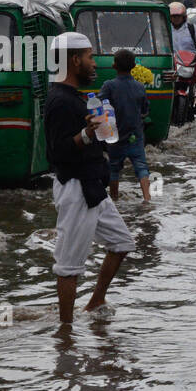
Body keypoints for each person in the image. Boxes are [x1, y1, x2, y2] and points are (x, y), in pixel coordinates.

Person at [44, 32, 136, 323]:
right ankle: (66, 334)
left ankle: (95, 302)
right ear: (74, 60)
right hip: (75, 190)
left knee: (122, 243)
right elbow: (56, 153)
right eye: (89, 57)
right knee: (68, 266)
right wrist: (87, 134)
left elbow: (87, 138)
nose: (94, 63)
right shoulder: (59, 100)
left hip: (94, 186)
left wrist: (97, 133)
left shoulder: (76, 97)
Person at [100, 49, 152, 203]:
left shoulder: (109, 86)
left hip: (116, 135)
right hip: (135, 135)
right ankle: (147, 200)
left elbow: (98, 104)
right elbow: (145, 110)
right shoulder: (140, 87)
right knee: (142, 167)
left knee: (114, 168)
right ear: (133, 66)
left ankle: (114, 200)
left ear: (114, 66)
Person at [168, 1, 196, 121]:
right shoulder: (164, 29)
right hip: (171, 64)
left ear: (184, 17)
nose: (176, 19)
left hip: (191, 63)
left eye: (178, 16)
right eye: (173, 16)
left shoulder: (192, 28)